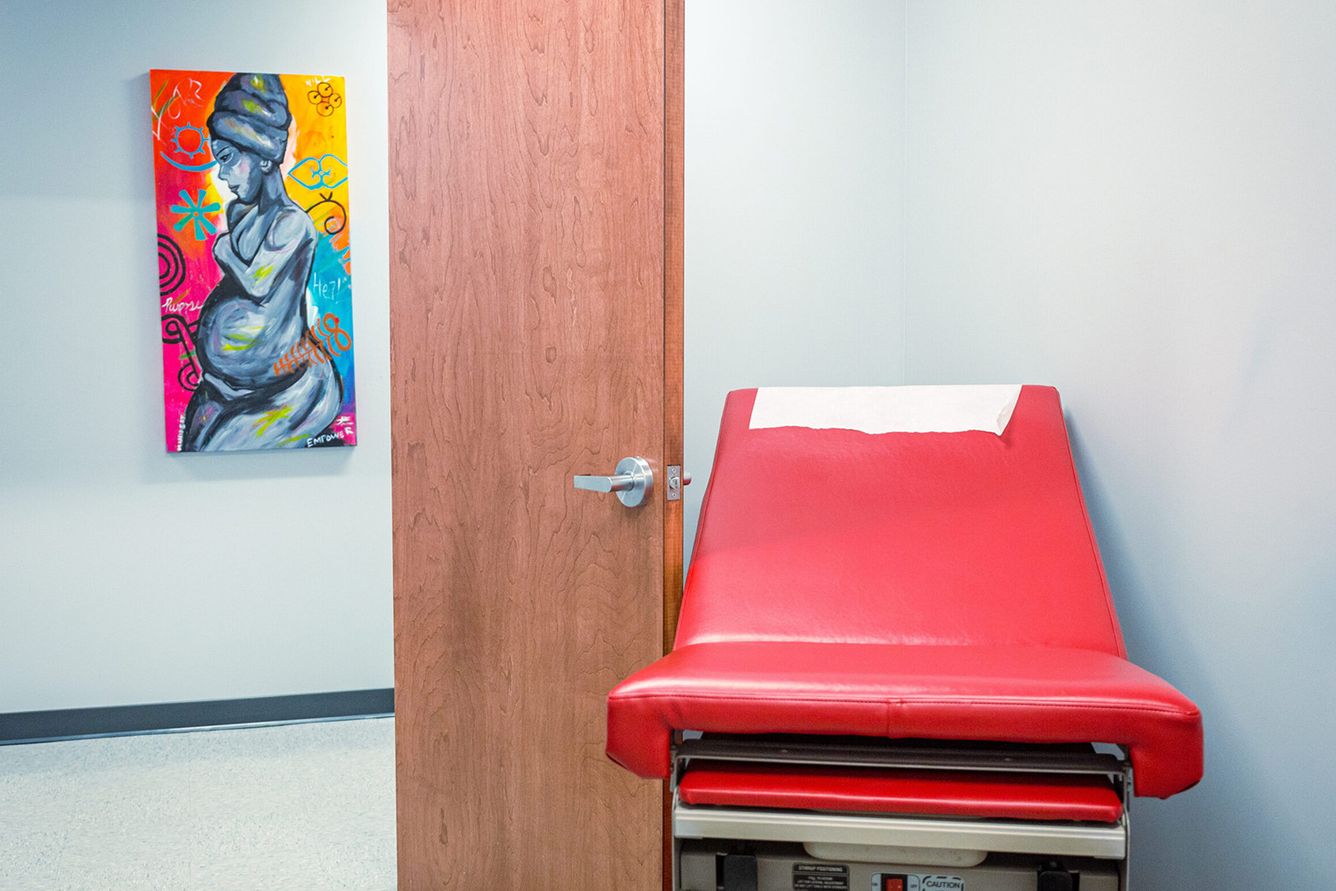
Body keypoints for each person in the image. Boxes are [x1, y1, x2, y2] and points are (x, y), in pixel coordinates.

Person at [181, 73, 341, 451]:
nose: (222, 175)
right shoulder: (240, 213)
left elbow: (257, 283)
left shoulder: (292, 222)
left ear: (264, 156)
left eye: (228, 159)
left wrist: (222, 250)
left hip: (281, 391)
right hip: (224, 389)